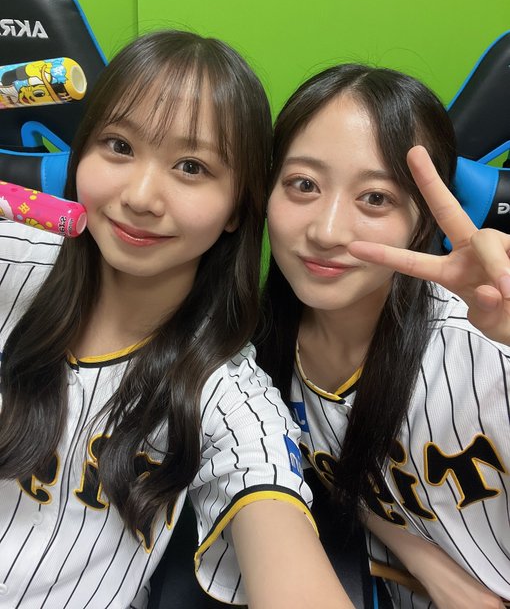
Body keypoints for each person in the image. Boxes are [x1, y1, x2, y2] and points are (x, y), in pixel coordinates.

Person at [0, 31, 354, 609]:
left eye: (191, 167)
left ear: (238, 206)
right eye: (118, 145)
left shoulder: (228, 395)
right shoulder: (9, 259)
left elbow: (274, 515)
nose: (141, 196)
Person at [256, 63, 510, 608]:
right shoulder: (259, 355)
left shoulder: (484, 349)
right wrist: (423, 559)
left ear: (422, 223)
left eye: (375, 198)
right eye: (303, 184)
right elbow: (337, 474)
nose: (326, 231)